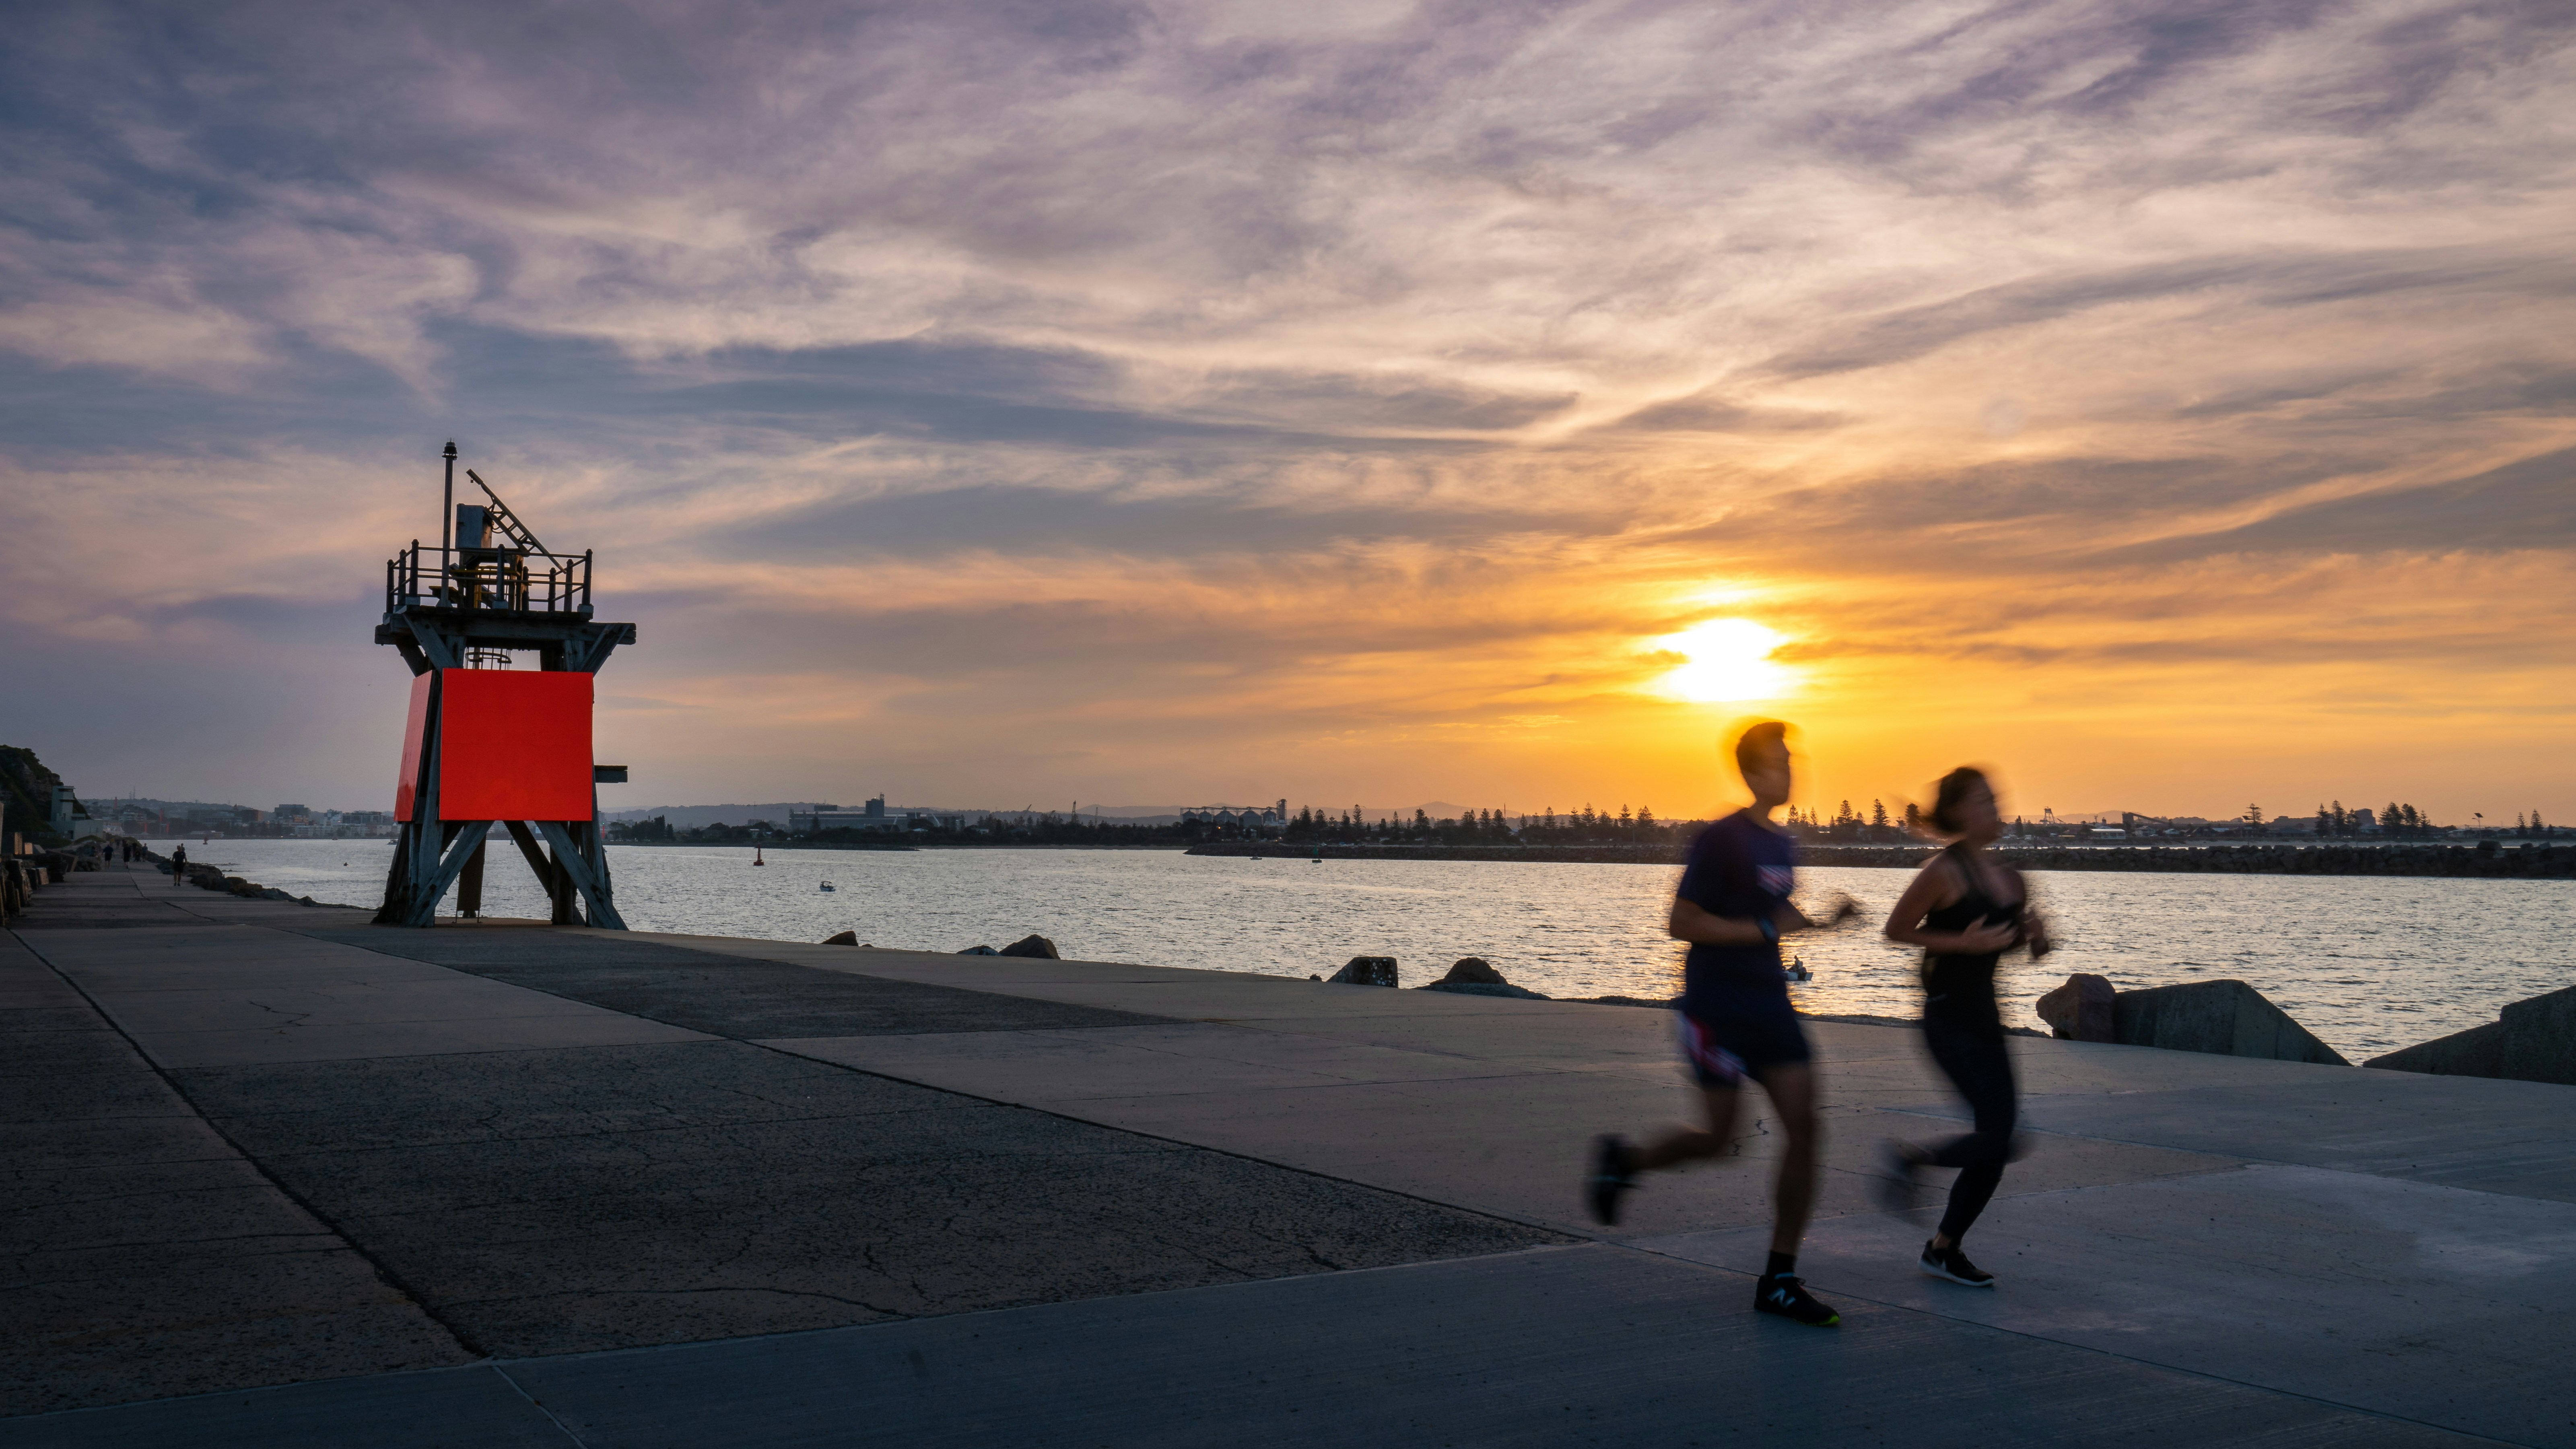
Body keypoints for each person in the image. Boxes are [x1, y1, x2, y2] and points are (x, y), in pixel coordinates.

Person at [1585, 720, 1857, 1327]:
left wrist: (1822, 924)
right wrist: (1761, 931)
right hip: (1716, 1006)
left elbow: (1775, 912)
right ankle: (1625, 1161)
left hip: (1770, 1004)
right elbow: (1681, 921)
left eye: (1791, 757)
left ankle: (1780, 1278)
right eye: (1779, 760)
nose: (1790, 768)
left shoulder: (1781, 844)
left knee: (1805, 1129)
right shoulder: (1719, 839)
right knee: (1717, 1139)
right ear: (1752, 772)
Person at [1878, 766, 2053, 1287]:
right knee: (1999, 1136)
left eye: (1994, 798)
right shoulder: (1943, 871)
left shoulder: (2011, 877)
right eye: (1981, 801)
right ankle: (1912, 1164)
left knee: (1998, 1140)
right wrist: (1962, 944)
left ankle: (1942, 1247)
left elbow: (2019, 946)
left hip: (1986, 1018)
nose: (1993, 807)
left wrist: (2036, 938)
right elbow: (1896, 929)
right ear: (1956, 813)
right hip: (1946, 1015)